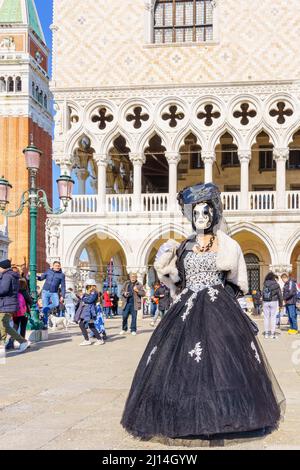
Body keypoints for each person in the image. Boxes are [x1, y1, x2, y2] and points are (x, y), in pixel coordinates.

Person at [121, 183, 285, 440]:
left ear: (213, 215)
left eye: (205, 213)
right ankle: (184, 415)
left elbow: (236, 279)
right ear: (191, 216)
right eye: (196, 213)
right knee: (181, 363)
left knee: (222, 360)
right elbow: (175, 280)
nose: (200, 218)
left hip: (218, 307)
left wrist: (225, 302)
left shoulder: (227, 244)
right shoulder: (184, 245)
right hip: (186, 308)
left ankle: (226, 416)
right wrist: (165, 264)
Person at [0, 259, 30, 353]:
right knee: (4, 324)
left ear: (3, 268)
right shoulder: (11, 275)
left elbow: (3, 290)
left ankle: (21, 341)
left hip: (6, 304)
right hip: (7, 303)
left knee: (3, 324)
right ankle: (22, 341)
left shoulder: (6, 276)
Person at [75, 279, 104, 346]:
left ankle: (88, 340)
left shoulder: (94, 292)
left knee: (82, 324)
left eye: (87, 286)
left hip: (90, 311)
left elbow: (90, 300)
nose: (86, 287)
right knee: (91, 326)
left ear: (90, 285)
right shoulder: (89, 292)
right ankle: (99, 339)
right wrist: (83, 297)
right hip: (87, 310)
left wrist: (83, 297)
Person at [262, 272, 283, 339]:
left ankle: (266, 334)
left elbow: (263, 293)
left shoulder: (265, 283)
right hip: (274, 302)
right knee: (273, 317)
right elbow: (280, 295)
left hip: (265, 302)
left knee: (266, 317)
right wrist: (281, 305)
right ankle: (272, 334)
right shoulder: (276, 284)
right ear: (273, 277)